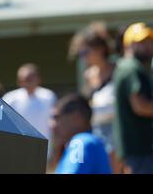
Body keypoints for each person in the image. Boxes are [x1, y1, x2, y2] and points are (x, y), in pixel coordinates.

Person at [69, 23, 122, 172]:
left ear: (100, 48)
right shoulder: (88, 75)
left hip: (117, 131)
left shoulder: (118, 69)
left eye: (86, 52)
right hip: (96, 131)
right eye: (81, 53)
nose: (83, 57)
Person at [112, 22, 153, 174]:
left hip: (137, 152)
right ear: (128, 45)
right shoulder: (131, 68)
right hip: (139, 151)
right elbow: (140, 106)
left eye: (149, 41)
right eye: (141, 42)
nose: (148, 46)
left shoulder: (128, 66)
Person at [52, 93, 111, 174]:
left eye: (56, 117)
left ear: (76, 117)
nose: (52, 125)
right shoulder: (85, 142)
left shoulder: (82, 141)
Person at [3, 63, 56, 140]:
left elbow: (54, 121)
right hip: (19, 144)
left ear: (38, 79)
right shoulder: (10, 98)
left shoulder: (49, 96)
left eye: (31, 79)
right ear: (19, 81)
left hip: (46, 144)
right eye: (25, 79)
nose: (28, 82)